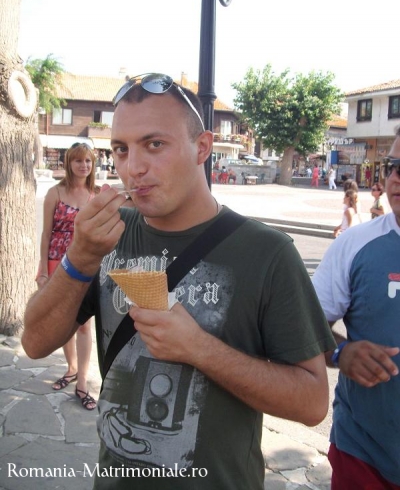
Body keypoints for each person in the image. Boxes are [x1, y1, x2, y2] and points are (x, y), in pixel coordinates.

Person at [23, 73, 334, 489]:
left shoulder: (268, 253)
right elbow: (34, 343)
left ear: (202, 147)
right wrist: (79, 258)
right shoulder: (108, 234)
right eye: (121, 149)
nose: (133, 167)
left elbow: (313, 402)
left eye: (154, 144)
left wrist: (200, 349)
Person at [312, 129, 400, 489]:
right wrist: (340, 352)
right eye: (393, 166)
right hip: (363, 456)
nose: (396, 178)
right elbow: (303, 325)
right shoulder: (355, 244)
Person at [36, 142, 100, 410]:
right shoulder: (55, 192)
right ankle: (71, 367)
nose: (83, 165)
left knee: (83, 324)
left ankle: (82, 382)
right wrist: (42, 270)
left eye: (88, 161)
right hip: (57, 264)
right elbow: (46, 234)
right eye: (78, 160)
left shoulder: (96, 195)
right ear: (69, 163)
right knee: (65, 322)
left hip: (85, 265)